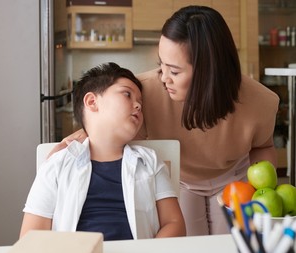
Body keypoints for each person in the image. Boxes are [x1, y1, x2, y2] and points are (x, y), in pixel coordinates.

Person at [50, 6, 280, 236]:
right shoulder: (144, 92)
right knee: (191, 251)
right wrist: (79, 138)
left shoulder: (262, 101)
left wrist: (259, 192)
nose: (163, 77)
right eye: (161, 64)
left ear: (208, 72)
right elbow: (105, 124)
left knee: (231, 251)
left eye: (174, 71)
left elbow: (263, 146)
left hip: (234, 179)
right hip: (181, 178)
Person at [20, 62, 186, 240]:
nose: (137, 105)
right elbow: (31, 237)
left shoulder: (150, 161)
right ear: (92, 102)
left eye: (140, 102)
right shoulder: (56, 164)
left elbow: (174, 223)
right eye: (127, 94)